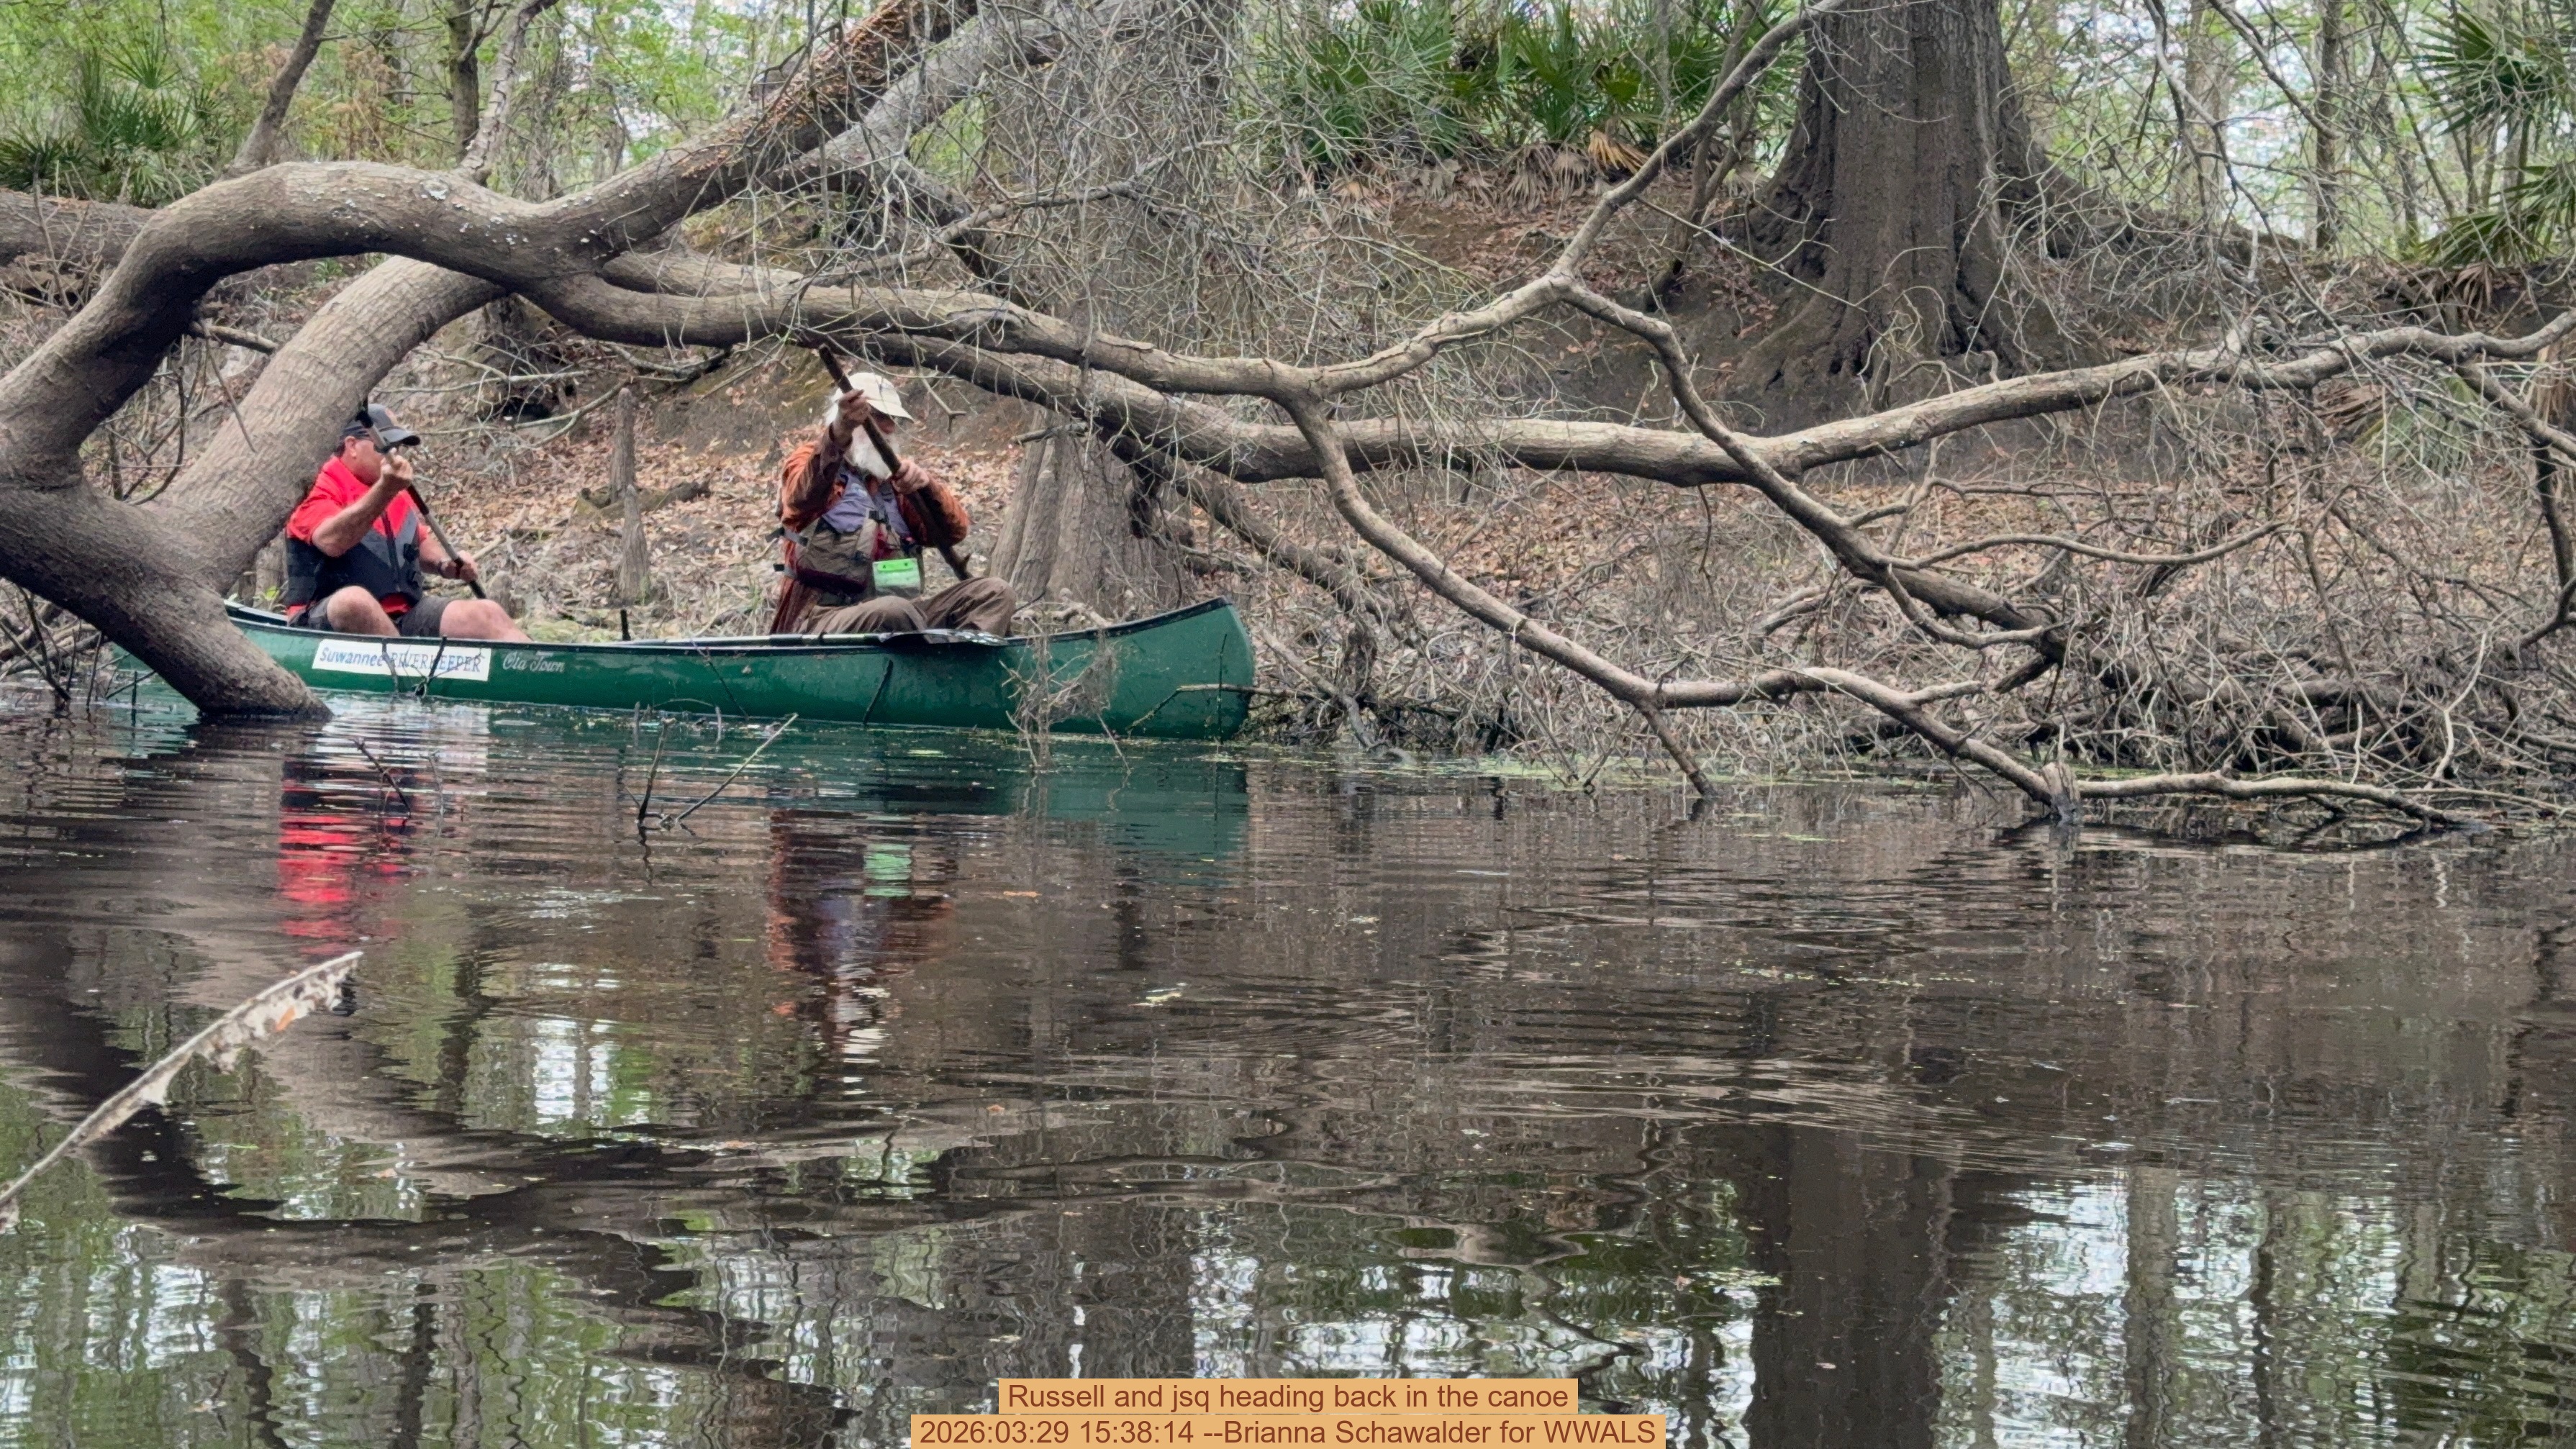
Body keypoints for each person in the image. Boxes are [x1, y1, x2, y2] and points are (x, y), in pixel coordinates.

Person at [768, 372, 1017, 636]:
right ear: (851, 418)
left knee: (995, 593)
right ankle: (932, 666)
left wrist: (926, 487)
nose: (889, 428)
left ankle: (959, 668)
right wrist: (839, 433)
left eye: (893, 419)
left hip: (904, 621)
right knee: (894, 611)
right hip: (821, 620)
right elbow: (801, 497)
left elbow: (952, 533)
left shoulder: (895, 482)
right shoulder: (811, 462)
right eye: (879, 417)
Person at [283, 404, 527, 641]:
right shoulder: (318, 484)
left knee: (487, 613)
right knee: (355, 601)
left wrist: (445, 564)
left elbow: (415, 540)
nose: (395, 455)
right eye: (386, 448)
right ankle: (407, 671)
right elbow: (331, 542)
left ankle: (540, 669)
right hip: (324, 617)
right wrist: (385, 490)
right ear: (352, 445)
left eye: (398, 447)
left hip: (404, 614)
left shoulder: (393, 488)